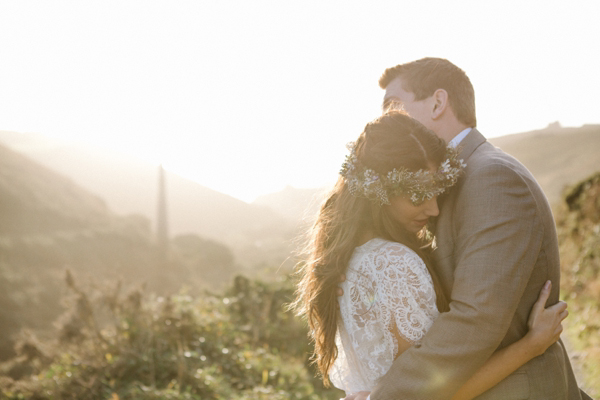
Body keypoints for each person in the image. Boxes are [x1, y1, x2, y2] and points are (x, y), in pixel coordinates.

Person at [343, 58, 585, 399]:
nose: (386, 119)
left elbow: (475, 320)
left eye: (393, 106)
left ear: (438, 102)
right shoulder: (453, 180)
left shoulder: (492, 177)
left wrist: (383, 397)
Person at [293, 110, 569, 400]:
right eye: (417, 196)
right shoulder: (392, 263)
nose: (434, 209)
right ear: (378, 194)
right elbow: (433, 393)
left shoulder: (348, 258)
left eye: (437, 191)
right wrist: (531, 345)